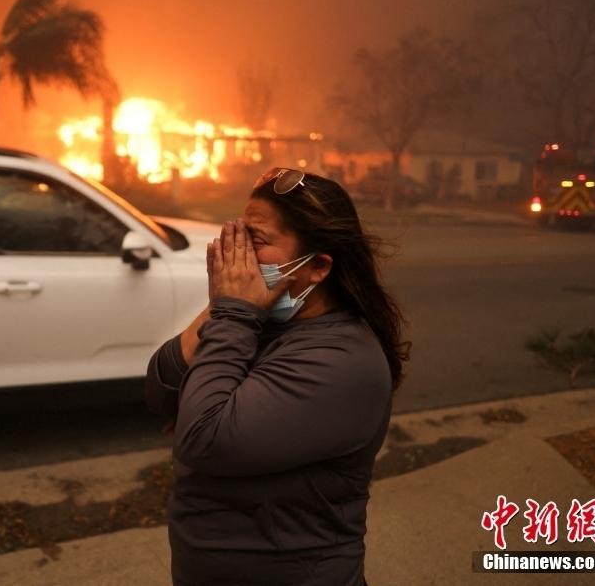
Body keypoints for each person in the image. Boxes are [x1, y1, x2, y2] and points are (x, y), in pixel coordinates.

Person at [144, 167, 410, 585]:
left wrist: (233, 310)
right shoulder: (254, 318)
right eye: (240, 237)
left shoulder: (343, 360)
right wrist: (225, 305)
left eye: (258, 242)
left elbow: (203, 440)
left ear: (318, 266)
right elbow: (161, 387)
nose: (241, 258)